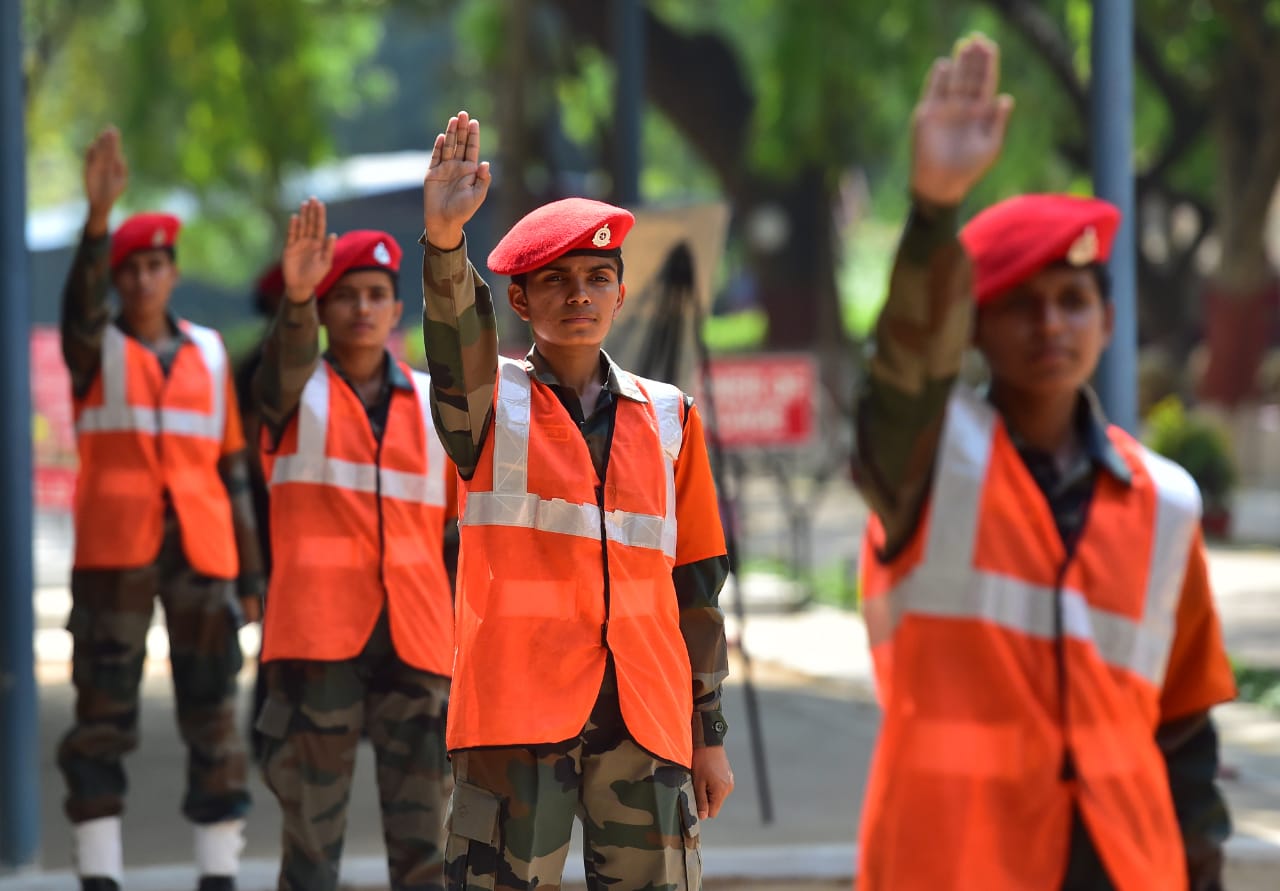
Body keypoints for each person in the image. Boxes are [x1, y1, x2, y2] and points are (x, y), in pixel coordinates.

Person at [851, 36, 1236, 891]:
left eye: (1074, 302)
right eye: (1021, 306)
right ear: (977, 329)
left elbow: (1186, 736)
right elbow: (901, 382)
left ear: (1106, 321)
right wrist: (932, 211)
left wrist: (1200, 868)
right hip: (957, 859)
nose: (1052, 325)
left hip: (1121, 861)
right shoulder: (926, 461)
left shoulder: (1166, 500)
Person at [419, 111, 734, 891]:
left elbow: (696, 584)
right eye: (555, 281)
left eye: (597, 279)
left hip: (647, 718)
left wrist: (710, 732)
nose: (579, 296)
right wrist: (446, 243)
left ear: (621, 294)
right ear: (519, 301)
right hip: (514, 721)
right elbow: (455, 345)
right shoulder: (489, 405)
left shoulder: (671, 417)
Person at [58, 126, 263, 891]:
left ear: (174, 273)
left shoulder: (210, 353)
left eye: (155, 265)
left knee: (212, 710)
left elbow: (232, 469)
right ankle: (100, 875)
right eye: (129, 269)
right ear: (116, 280)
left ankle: (218, 874)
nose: (142, 278)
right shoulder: (94, 347)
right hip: (113, 555)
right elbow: (78, 308)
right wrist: (96, 223)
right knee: (101, 714)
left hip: (205, 553)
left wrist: (250, 575)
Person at [252, 199, 457, 891]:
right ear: (324, 308)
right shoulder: (288, 394)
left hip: (418, 642)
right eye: (345, 296)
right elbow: (281, 361)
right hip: (316, 643)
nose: (362, 309)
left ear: (397, 310)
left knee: (427, 849)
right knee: (310, 853)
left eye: (376, 295)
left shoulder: (434, 407)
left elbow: (457, 535)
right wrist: (298, 295)